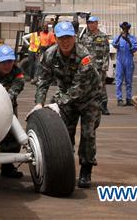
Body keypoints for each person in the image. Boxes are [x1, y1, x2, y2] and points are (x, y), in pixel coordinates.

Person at [33, 20, 101, 188]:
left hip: (89, 98)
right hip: (66, 96)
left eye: (69, 38)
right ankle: (65, 167)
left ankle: (86, 170)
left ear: (74, 37)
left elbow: (79, 88)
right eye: (62, 38)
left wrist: (58, 103)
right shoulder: (50, 55)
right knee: (63, 134)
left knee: (88, 134)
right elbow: (43, 81)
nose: (65, 42)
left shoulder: (84, 56)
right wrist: (39, 103)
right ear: (56, 38)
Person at [0, 45, 25, 179]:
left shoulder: (18, 73)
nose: (7, 65)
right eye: (3, 62)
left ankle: (7, 167)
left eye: (10, 61)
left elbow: (12, 94)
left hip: (8, 107)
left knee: (13, 138)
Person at [78, 16, 111, 115]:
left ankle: (103, 106)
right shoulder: (85, 37)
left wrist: (105, 66)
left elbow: (106, 52)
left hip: (99, 66)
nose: (90, 25)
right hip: (88, 66)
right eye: (89, 23)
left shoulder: (103, 36)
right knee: (87, 86)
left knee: (101, 86)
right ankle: (89, 106)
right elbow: (82, 52)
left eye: (92, 23)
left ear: (96, 24)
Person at [112, 21, 137, 106]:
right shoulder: (118, 37)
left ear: (129, 29)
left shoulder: (133, 38)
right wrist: (120, 36)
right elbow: (114, 45)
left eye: (126, 28)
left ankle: (128, 98)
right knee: (118, 81)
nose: (124, 29)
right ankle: (119, 99)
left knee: (128, 81)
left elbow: (134, 49)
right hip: (120, 61)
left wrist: (128, 40)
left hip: (129, 61)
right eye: (123, 28)